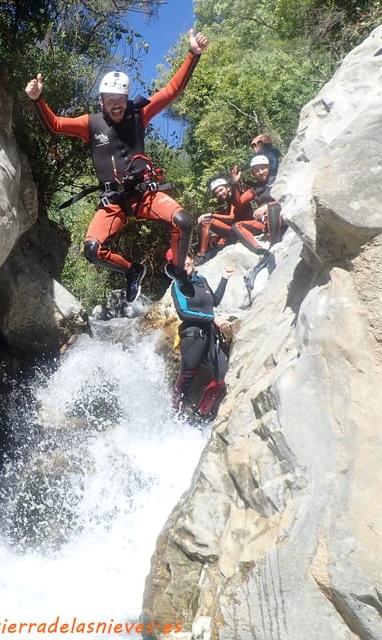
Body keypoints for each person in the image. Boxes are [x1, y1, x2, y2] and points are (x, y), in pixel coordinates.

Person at [25, 30, 210, 302]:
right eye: (110, 100)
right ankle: (132, 270)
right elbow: (55, 125)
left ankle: (177, 269)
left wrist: (193, 54)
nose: (116, 105)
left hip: (144, 194)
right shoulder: (91, 124)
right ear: (101, 102)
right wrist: (37, 99)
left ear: (126, 99)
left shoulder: (139, 114)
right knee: (91, 250)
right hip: (113, 202)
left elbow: (172, 91)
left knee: (183, 221)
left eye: (120, 99)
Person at [169, 251, 234, 421]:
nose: (185, 266)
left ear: (192, 260)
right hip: (193, 336)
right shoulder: (177, 285)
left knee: (221, 377)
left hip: (210, 335)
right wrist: (213, 319)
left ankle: (200, 415)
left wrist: (224, 279)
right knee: (186, 379)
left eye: (187, 261)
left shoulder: (201, 280)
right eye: (180, 264)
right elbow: (183, 313)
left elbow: (214, 301)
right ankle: (175, 419)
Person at [232, 155, 282, 254]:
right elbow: (239, 203)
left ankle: (274, 245)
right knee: (237, 225)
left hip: (280, 214)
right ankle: (258, 250)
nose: (260, 172)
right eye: (256, 170)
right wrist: (235, 184)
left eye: (263, 168)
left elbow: (287, 197)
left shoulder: (278, 179)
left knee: (272, 208)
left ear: (268, 167)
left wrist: (266, 206)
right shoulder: (255, 188)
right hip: (264, 222)